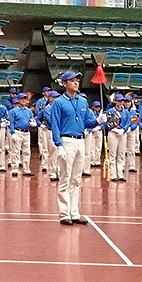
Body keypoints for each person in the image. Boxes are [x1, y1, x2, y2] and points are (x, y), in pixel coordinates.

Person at [50, 71, 106, 225]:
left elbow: (87, 122)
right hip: (66, 141)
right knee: (65, 178)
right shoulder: (58, 103)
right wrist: (58, 145)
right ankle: (64, 214)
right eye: (72, 80)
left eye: (77, 80)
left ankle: (74, 213)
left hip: (81, 140)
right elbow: (55, 125)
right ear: (64, 83)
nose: (76, 83)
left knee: (76, 179)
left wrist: (98, 121)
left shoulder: (82, 102)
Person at [9, 92, 36, 177]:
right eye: (21, 99)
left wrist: (33, 123)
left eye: (25, 99)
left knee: (27, 152)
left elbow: (31, 120)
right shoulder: (14, 111)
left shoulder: (29, 111)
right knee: (16, 152)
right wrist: (12, 132)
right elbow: (11, 123)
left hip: (26, 132)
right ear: (18, 100)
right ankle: (15, 169)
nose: (24, 100)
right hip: (18, 132)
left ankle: (26, 169)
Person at [106, 94, 129, 182]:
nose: (120, 102)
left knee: (121, 153)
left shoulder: (126, 112)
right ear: (115, 101)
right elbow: (106, 122)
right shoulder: (110, 111)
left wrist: (123, 129)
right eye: (119, 101)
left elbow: (128, 122)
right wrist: (112, 129)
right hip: (113, 132)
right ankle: (113, 174)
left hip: (122, 133)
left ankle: (120, 174)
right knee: (112, 154)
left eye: (122, 101)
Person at [39, 91, 60, 181]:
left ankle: (59, 172)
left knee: (61, 153)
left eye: (57, 97)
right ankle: (52, 173)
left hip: (61, 132)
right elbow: (51, 121)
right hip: (52, 131)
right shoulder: (47, 108)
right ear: (50, 98)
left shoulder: (60, 107)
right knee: (53, 152)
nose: (56, 99)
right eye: (54, 97)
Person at [35, 87, 52, 172]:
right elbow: (38, 115)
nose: (48, 92)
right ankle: (44, 164)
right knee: (43, 143)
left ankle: (53, 165)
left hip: (54, 129)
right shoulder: (42, 103)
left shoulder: (58, 107)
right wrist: (40, 124)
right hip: (45, 127)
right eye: (47, 91)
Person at [123, 96, 138, 173]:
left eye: (128, 102)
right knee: (122, 150)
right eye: (125, 102)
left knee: (131, 149)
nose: (127, 103)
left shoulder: (133, 112)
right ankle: (122, 166)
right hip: (123, 131)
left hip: (131, 131)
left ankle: (132, 165)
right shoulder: (121, 111)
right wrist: (124, 128)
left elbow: (135, 123)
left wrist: (131, 128)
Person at [86, 101, 103, 169]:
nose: (97, 108)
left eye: (98, 106)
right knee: (92, 146)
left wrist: (99, 127)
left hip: (99, 131)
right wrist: (91, 128)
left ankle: (97, 160)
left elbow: (103, 123)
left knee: (98, 146)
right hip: (92, 131)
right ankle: (92, 160)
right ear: (93, 107)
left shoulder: (100, 114)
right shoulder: (91, 113)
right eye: (96, 106)